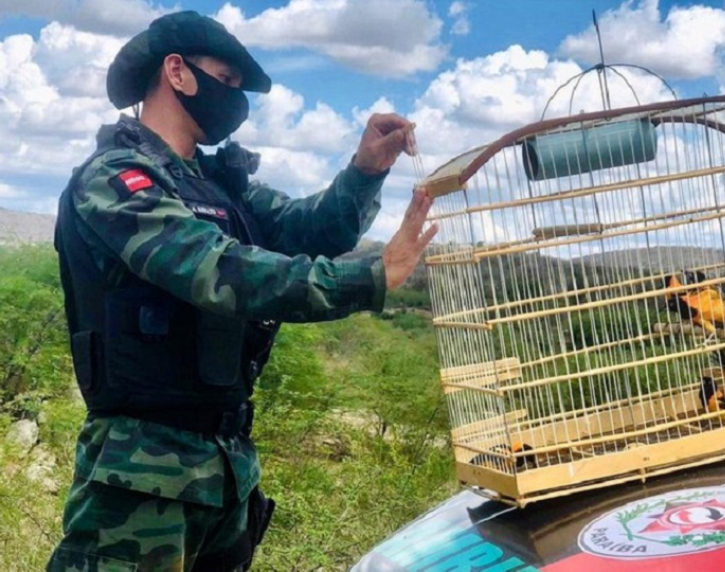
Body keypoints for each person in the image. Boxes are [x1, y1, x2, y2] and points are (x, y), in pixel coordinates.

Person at [48, 10, 437, 572]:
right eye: (226, 81)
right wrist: (372, 276)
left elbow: (309, 229)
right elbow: (219, 270)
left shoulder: (219, 188)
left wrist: (365, 171)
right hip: (137, 482)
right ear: (176, 72)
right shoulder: (114, 180)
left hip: (225, 476)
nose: (234, 99)